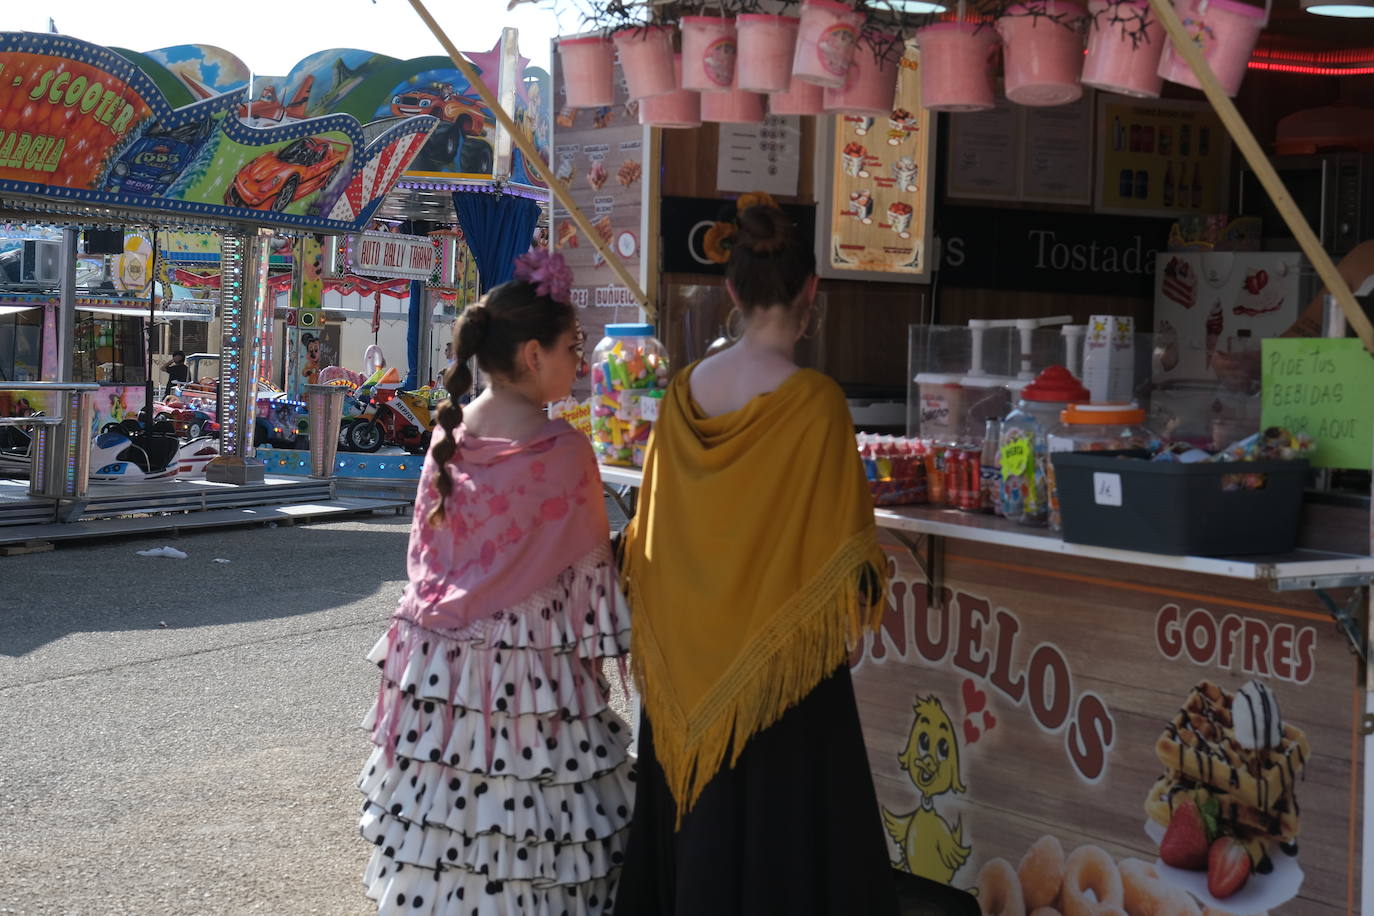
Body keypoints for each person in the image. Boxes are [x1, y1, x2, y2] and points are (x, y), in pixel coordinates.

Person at [614, 203, 899, 915]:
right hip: (782, 674)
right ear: (811, 292)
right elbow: (849, 558)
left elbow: (653, 534)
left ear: (732, 293)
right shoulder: (817, 403)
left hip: (687, 659)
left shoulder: (683, 394)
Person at [357, 249, 633, 916]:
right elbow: (594, 591)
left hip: (436, 674)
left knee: (450, 830)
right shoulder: (565, 452)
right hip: (532, 680)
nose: (580, 359)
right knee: (535, 827)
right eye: (574, 346)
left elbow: (427, 560)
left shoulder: (448, 437)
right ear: (534, 355)